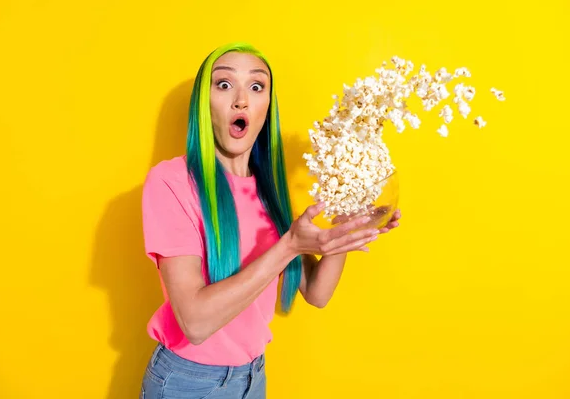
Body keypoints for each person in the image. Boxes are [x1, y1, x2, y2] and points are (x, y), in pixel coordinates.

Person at [139, 42, 401, 398]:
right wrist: (289, 245)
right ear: (205, 103)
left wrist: (345, 226)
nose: (241, 100)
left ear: (266, 108)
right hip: (190, 383)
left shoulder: (268, 192)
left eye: (257, 86)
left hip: (253, 377)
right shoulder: (171, 182)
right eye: (225, 84)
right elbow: (195, 323)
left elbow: (317, 292)